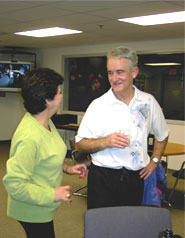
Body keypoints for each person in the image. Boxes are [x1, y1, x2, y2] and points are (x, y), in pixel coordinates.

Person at [75, 46, 169, 209]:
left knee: (130, 227)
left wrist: (154, 161)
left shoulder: (148, 102)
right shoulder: (98, 105)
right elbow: (80, 144)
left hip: (136, 176)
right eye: (110, 73)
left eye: (120, 72)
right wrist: (106, 142)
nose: (114, 78)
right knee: (101, 229)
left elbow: (162, 135)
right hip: (103, 177)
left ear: (134, 72)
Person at [3, 68, 87, 238]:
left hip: (42, 205)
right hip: (32, 208)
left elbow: (45, 155)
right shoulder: (29, 136)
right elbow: (14, 184)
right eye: (59, 92)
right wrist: (53, 194)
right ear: (48, 100)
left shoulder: (45, 122)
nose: (62, 96)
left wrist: (67, 169)